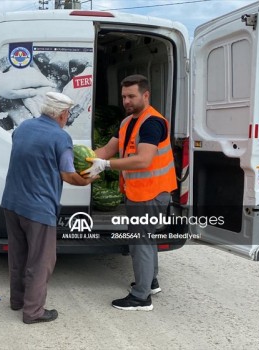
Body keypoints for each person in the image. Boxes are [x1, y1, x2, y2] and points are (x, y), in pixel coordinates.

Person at [82, 74, 177, 311]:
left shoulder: (152, 122)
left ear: (146, 95)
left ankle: (141, 297)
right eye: (124, 96)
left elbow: (143, 160)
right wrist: (83, 159)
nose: (126, 101)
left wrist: (106, 165)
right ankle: (150, 281)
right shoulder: (127, 122)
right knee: (146, 238)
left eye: (131, 96)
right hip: (139, 192)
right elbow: (106, 149)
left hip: (153, 192)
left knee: (140, 241)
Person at [1, 92, 96, 324]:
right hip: (38, 208)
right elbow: (68, 174)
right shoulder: (60, 138)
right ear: (63, 114)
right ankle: (33, 312)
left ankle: (17, 301)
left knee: (18, 256)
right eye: (68, 113)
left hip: (12, 202)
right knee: (41, 260)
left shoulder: (23, 128)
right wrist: (88, 179)